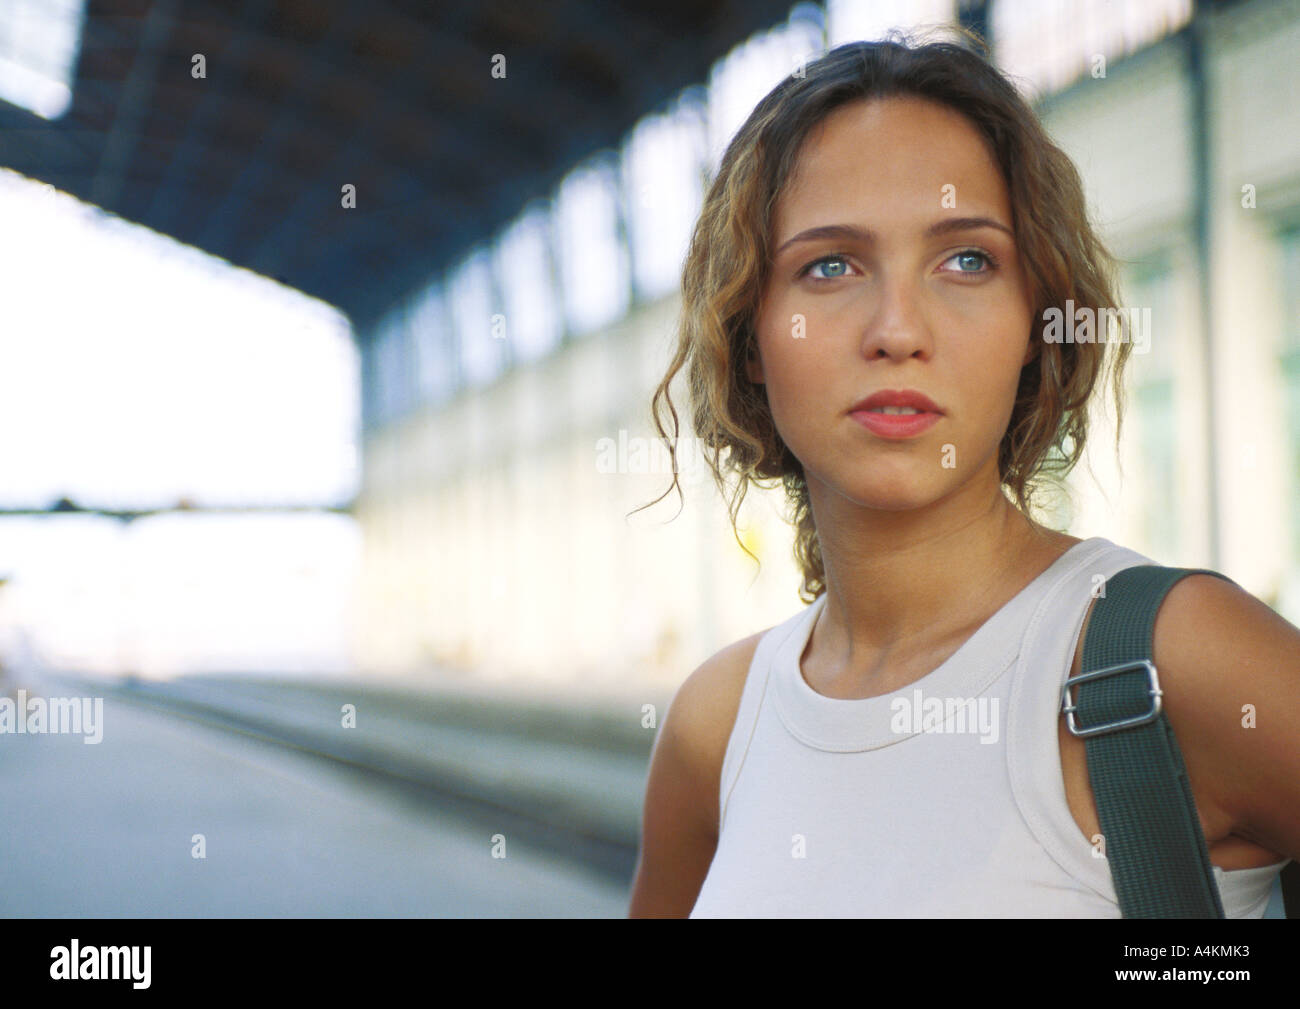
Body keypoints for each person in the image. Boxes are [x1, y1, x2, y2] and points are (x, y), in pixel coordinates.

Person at [626, 31, 1299, 917]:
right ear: (750, 335)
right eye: (830, 266)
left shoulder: (1180, 653)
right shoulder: (715, 725)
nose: (898, 328)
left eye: (966, 260)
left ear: (1036, 320)